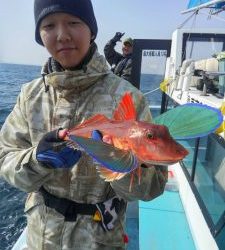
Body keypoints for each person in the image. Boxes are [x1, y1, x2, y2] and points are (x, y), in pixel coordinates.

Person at [0, 0, 167, 249]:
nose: (62, 35)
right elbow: (5, 161)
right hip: (40, 239)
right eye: (48, 25)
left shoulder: (128, 97)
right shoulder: (29, 95)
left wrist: (120, 163)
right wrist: (37, 160)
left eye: (74, 22)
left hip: (100, 241)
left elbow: (151, 188)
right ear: (39, 35)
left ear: (92, 30)